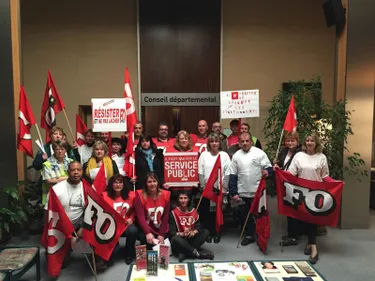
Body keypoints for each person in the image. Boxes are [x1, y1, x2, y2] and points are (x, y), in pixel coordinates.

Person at [287, 132, 333, 264]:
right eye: (307, 140)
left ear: (316, 142)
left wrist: (336, 183)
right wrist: (279, 171)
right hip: (301, 192)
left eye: (312, 140)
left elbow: (325, 176)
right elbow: (291, 173)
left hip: (316, 193)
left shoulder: (321, 157)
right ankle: (309, 244)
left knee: (312, 219)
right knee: (305, 219)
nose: (309, 143)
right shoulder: (299, 156)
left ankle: (314, 248)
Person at [228, 132, 272, 246]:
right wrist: (233, 193)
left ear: (251, 142)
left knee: (259, 215)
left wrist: (267, 172)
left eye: (247, 141)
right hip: (242, 191)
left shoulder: (259, 153)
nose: (245, 143)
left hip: (257, 191)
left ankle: (260, 234)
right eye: (242, 141)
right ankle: (249, 235)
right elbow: (233, 175)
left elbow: (269, 167)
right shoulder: (236, 156)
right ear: (239, 143)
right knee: (245, 216)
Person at [198, 133, 231, 243]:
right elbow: (200, 172)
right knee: (207, 213)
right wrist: (203, 187)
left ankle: (217, 233)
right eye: (212, 141)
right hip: (207, 188)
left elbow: (227, 173)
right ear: (209, 143)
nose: (214, 144)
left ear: (219, 143)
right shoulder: (204, 155)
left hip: (219, 188)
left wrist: (224, 188)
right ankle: (207, 233)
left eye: (216, 141)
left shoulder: (224, 155)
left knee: (218, 212)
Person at [274, 131, 302, 246]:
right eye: (288, 140)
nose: (290, 143)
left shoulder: (300, 153)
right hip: (285, 184)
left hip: (296, 185)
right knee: (288, 209)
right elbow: (281, 166)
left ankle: (294, 236)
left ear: (297, 141)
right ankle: (292, 233)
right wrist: (276, 164)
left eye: (292, 140)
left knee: (294, 210)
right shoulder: (284, 151)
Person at [102, 174, 138, 264]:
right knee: (114, 253)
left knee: (133, 230)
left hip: (125, 224)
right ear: (111, 184)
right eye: (115, 183)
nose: (118, 185)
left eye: (120, 182)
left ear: (124, 184)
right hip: (111, 226)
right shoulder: (105, 196)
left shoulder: (131, 195)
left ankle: (129, 252)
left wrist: (131, 219)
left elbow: (135, 210)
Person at [169, 192, 214, 262]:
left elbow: (198, 227)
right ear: (178, 200)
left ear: (188, 199)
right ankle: (197, 253)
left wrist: (193, 232)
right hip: (181, 239)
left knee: (206, 232)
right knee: (174, 239)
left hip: (191, 238)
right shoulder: (173, 213)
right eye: (181, 198)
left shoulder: (194, 211)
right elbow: (172, 232)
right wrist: (183, 234)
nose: (183, 200)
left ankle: (186, 253)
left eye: (185, 198)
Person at [134, 172, 171, 249]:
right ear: (145, 183)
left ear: (158, 182)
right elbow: (141, 217)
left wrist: (161, 234)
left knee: (161, 253)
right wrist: (147, 233)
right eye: (149, 182)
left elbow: (165, 216)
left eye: (154, 181)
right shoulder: (140, 196)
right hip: (147, 228)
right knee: (149, 251)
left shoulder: (165, 195)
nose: (152, 184)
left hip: (161, 228)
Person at [42, 140, 73, 204]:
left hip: (67, 196)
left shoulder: (71, 162)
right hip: (51, 197)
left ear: (65, 150)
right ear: (53, 150)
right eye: (57, 149)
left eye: (62, 149)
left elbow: (74, 178)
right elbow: (49, 181)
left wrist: (57, 179)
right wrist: (66, 178)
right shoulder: (48, 163)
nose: (60, 151)